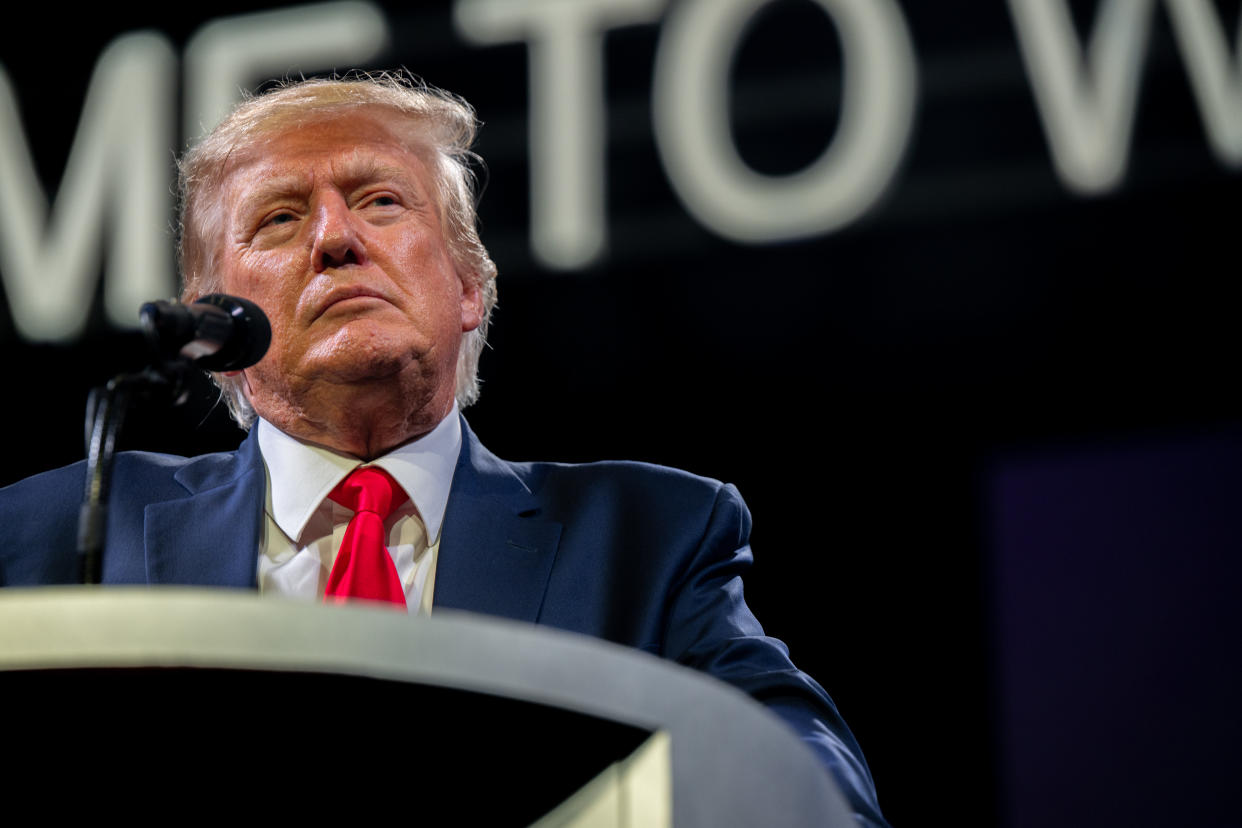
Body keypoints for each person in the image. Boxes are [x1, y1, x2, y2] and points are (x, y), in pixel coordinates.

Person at [0, 74, 887, 827]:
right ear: (213, 324)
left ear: (470, 283)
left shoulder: (648, 539)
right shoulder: (62, 528)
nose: (334, 238)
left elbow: (803, 778)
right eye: (277, 219)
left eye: (381, 201)